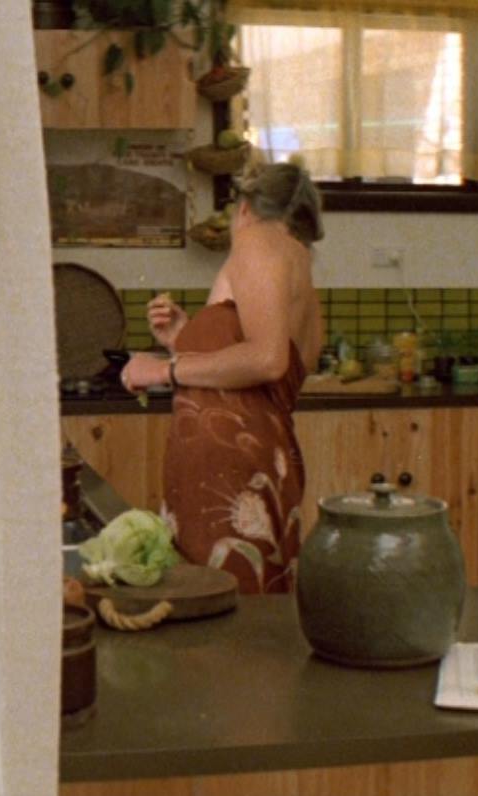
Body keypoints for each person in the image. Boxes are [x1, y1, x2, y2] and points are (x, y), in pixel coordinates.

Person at [119, 162, 324, 594]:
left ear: (244, 208)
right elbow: (259, 379)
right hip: (259, 462)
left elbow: (266, 360)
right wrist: (185, 339)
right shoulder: (298, 264)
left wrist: (162, 369)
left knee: (219, 607)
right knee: (254, 607)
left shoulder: (257, 242)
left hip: (228, 471)